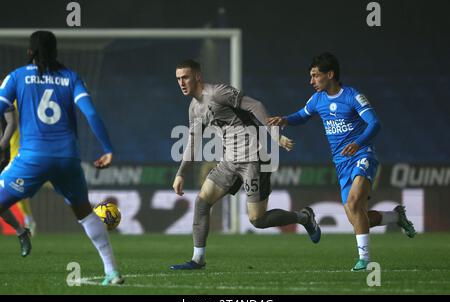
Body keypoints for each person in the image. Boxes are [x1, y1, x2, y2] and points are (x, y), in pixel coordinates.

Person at [267, 52, 416, 271]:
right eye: (311, 76)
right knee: (355, 216)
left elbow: (374, 124)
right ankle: (396, 217)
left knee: (354, 203)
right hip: (341, 162)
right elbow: (303, 115)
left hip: (362, 155)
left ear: (330, 74)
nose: (312, 81)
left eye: (316, 76)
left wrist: (358, 143)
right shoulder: (317, 99)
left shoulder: (353, 96)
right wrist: (285, 120)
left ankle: (365, 260)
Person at [170, 59, 321, 270]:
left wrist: (275, 135)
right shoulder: (194, 108)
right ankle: (198, 260)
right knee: (202, 202)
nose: (181, 82)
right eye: (178, 79)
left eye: (185, 77)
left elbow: (255, 105)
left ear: (197, 76)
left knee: (257, 220)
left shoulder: (217, 93)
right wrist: (181, 174)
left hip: (253, 158)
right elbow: (193, 143)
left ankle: (304, 218)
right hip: (229, 161)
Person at [0, 30, 123, 285]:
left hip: (31, 159)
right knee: (85, 213)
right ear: (56, 52)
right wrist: (108, 148)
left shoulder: (16, 77)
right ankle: (111, 271)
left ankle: (22, 232)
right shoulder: (71, 78)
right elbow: (90, 114)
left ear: (29, 52)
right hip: (67, 159)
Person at [0, 103, 31, 256]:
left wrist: (2, 145)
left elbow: (12, 122)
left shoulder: (4, 97)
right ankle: (21, 232)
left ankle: (21, 231)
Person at [9, 99, 37, 235]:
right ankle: (28, 219)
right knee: (17, 191)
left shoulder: (14, 100)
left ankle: (28, 220)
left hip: (23, 153)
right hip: (13, 154)